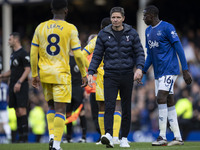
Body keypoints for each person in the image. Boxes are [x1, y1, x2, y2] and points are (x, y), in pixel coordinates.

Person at [30, 0, 87, 150]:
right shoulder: (70, 28)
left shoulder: (40, 27)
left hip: (45, 73)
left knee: (50, 106)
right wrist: (83, 73)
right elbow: (79, 55)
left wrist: (35, 74)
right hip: (61, 74)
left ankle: (51, 136)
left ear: (51, 10)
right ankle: (56, 144)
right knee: (61, 109)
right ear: (66, 11)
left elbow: (33, 53)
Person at [88, 7, 145, 148]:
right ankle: (108, 135)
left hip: (127, 74)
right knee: (109, 105)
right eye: (113, 17)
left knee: (126, 108)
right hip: (110, 75)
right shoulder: (103, 33)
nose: (115, 20)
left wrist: (139, 68)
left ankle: (124, 138)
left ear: (123, 18)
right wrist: (90, 72)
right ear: (110, 18)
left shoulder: (131, 33)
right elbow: (97, 55)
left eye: (118, 17)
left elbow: (139, 53)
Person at [142, 5, 192, 146]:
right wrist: (143, 71)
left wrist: (185, 69)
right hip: (158, 72)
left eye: (145, 15)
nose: (143, 18)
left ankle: (162, 136)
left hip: (170, 69)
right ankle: (177, 137)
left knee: (160, 97)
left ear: (152, 15)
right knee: (169, 101)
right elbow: (150, 56)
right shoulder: (147, 31)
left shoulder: (167, 27)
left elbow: (179, 48)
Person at [83, 18, 122, 145]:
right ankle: (109, 137)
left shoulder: (99, 39)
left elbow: (83, 54)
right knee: (112, 105)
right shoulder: (116, 38)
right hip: (112, 75)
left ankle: (109, 136)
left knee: (103, 107)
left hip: (104, 77)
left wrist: (91, 68)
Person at [0, 32, 30, 143]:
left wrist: (19, 82)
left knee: (22, 110)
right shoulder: (13, 55)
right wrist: (2, 75)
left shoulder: (23, 53)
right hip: (13, 85)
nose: (8, 41)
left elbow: (27, 69)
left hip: (20, 85)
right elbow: (12, 71)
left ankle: (25, 137)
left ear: (16, 40)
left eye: (10, 39)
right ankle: (20, 137)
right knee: (17, 111)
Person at [63, 50, 87, 143]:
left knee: (81, 113)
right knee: (68, 113)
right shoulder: (65, 57)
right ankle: (69, 137)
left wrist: (85, 89)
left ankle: (84, 137)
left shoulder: (80, 57)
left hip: (78, 88)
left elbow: (85, 73)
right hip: (68, 88)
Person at [0, 77, 11, 143]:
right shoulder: (5, 86)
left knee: (5, 123)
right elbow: (8, 97)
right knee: (5, 123)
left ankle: (9, 136)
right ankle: (9, 136)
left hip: (3, 107)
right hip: (4, 106)